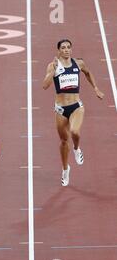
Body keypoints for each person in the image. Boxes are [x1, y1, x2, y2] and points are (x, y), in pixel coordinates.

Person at [42, 39, 104, 186]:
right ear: (58, 50)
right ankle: (65, 169)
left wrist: (95, 88)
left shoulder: (79, 63)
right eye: (63, 48)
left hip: (76, 106)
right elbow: (45, 85)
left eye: (68, 47)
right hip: (60, 110)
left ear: (71, 49)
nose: (66, 50)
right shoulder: (53, 65)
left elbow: (88, 73)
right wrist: (53, 71)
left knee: (75, 131)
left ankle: (77, 149)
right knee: (63, 141)